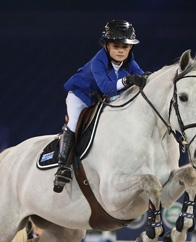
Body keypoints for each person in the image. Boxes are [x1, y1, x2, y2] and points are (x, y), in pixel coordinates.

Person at [53, 19, 146, 193]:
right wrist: (127, 80)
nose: (120, 50)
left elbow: (143, 77)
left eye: (124, 47)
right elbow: (106, 87)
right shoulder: (98, 60)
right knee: (74, 122)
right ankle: (62, 167)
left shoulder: (130, 62)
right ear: (106, 46)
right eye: (116, 45)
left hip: (103, 98)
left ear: (130, 48)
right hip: (81, 96)